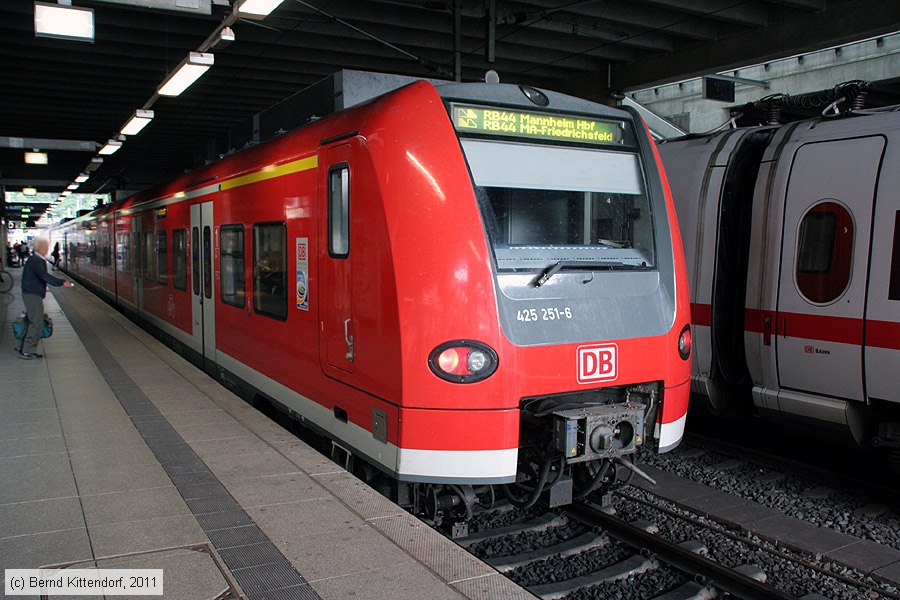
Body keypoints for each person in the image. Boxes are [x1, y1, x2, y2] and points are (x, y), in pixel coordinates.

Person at [17, 237, 73, 359]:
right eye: (45, 246)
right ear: (41, 247)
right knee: (36, 323)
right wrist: (62, 282)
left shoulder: (34, 259)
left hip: (31, 293)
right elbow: (44, 276)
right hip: (33, 294)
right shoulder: (37, 260)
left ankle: (23, 346)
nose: (47, 248)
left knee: (32, 321)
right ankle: (27, 350)